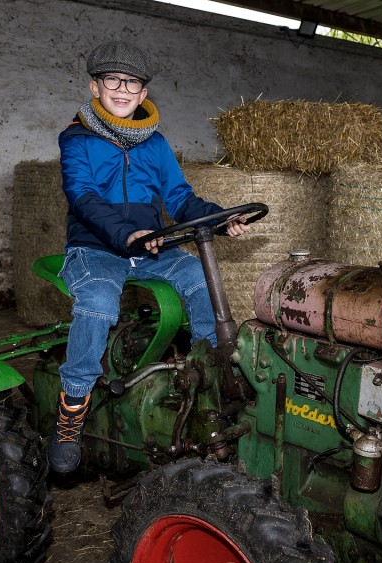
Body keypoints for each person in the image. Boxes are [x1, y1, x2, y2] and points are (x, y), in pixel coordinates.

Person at [49, 40, 250, 473]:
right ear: (95, 86)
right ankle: (72, 411)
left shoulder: (155, 144)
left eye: (133, 82)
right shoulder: (76, 138)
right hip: (95, 248)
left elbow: (179, 197)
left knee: (198, 277)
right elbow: (82, 196)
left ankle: (214, 379)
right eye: (112, 80)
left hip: (151, 247)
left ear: (144, 93)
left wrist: (217, 218)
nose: (122, 89)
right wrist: (127, 235)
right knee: (98, 304)